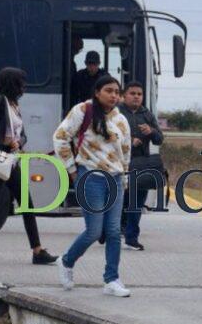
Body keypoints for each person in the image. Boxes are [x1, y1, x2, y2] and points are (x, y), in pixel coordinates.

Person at [0, 67, 58, 265]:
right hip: (1, 160)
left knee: (20, 205)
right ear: (12, 83)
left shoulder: (13, 104)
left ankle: (37, 251)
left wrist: (19, 143)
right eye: (21, 83)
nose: (24, 87)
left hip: (11, 160)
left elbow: (21, 134)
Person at [53, 75, 132, 297]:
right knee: (95, 231)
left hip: (115, 178)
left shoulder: (121, 120)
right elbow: (60, 137)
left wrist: (124, 177)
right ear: (97, 92)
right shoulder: (83, 110)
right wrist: (71, 169)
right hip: (90, 177)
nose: (114, 95)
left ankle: (111, 279)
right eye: (109, 90)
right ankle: (67, 261)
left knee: (114, 231)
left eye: (117, 92)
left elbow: (125, 151)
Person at [118, 81, 164, 251]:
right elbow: (107, 134)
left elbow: (159, 138)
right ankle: (107, 231)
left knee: (136, 203)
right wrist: (129, 141)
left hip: (141, 163)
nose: (136, 97)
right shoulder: (117, 113)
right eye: (132, 93)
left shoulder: (147, 115)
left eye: (139, 94)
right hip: (119, 163)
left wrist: (151, 132)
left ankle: (131, 238)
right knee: (118, 201)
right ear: (124, 95)